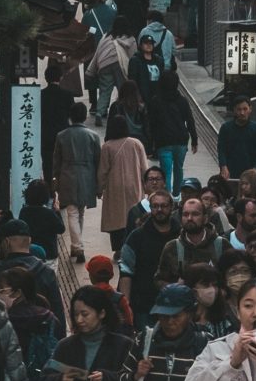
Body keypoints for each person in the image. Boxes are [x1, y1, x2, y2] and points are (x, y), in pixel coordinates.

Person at [118, 180, 182, 314]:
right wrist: (125, 305)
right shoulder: (136, 237)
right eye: (155, 206)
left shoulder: (181, 235)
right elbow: (126, 270)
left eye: (164, 206)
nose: (159, 210)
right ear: (150, 208)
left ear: (171, 208)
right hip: (143, 304)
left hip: (176, 303)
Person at [96, 110, 150, 256]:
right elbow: (145, 168)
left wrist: (99, 188)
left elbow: (103, 171)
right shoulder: (136, 143)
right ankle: (132, 245)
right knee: (133, 216)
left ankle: (119, 248)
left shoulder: (107, 146)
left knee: (116, 218)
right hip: (134, 185)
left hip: (115, 187)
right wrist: (148, 186)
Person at [155, 186, 227, 291]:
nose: (189, 218)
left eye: (195, 214)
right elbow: (159, 280)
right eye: (185, 214)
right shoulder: (172, 247)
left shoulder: (221, 245)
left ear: (205, 218)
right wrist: (175, 288)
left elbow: (232, 278)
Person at [51, 101, 100, 253]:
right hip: (87, 176)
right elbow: (98, 161)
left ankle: (77, 245)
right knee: (81, 211)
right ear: (85, 116)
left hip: (67, 175)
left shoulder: (62, 136)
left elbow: (56, 160)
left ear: (70, 117)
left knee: (72, 211)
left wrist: (55, 178)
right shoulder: (93, 136)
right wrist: (99, 184)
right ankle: (77, 244)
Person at [145, 66, 194, 196]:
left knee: (165, 171)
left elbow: (151, 124)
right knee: (178, 169)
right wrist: (194, 139)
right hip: (181, 141)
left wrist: (149, 146)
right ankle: (177, 195)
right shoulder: (182, 101)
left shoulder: (155, 101)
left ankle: (167, 196)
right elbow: (190, 120)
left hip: (163, 141)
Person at [217, 97, 256, 181]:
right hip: (229, 173)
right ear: (234, 110)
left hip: (249, 174)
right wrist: (223, 166)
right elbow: (221, 149)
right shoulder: (226, 128)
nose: (242, 113)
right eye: (239, 109)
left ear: (250, 109)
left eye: (245, 109)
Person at [19, 177, 64, 258]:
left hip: (30, 254)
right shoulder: (49, 213)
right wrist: (57, 211)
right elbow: (61, 229)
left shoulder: (24, 211)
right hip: (49, 254)